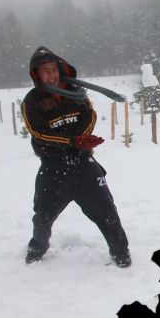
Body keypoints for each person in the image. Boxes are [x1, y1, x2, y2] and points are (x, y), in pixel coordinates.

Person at [22, 46, 131, 267]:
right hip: (53, 166)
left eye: (54, 69)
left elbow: (89, 116)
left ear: (61, 70)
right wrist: (72, 141)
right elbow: (39, 132)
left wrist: (81, 140)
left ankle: (121, 251)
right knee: (42, 214)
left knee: (106, 210)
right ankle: (36, 249)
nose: (51, 74)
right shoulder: (32, 100)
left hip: (83, 164)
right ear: (37, 74)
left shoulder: (77, 94)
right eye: (45, 70)